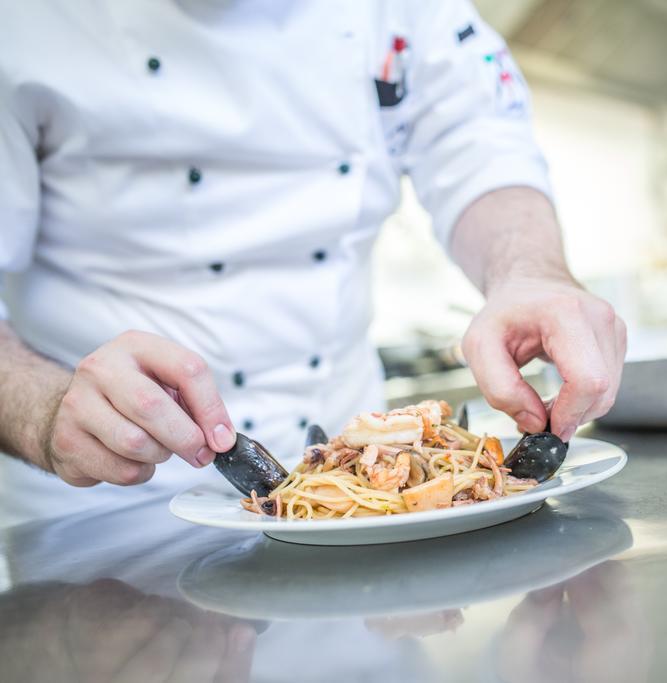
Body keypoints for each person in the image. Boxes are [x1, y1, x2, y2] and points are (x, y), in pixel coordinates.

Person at [0, 1, 626, 521]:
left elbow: (482, 147)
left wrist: (531, 273)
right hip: (99, 526)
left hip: (378, 512)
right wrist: (41, 406)